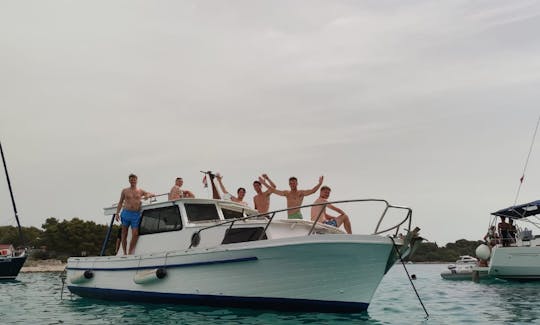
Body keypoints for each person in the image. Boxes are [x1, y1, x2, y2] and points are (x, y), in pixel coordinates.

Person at [115, 174, 155, 255]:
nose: (133, 181)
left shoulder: (140, 191)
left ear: (136, 180)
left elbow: (152, 194)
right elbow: (120, 203)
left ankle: (130, 251)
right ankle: (125, 252)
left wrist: (147, 195)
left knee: (135, 234)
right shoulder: (125, 191)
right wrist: (117, 213)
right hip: (126, 213)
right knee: (124, 233)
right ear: (129, 180)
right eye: (131, 179)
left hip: (135, 214)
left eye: (134, 179)